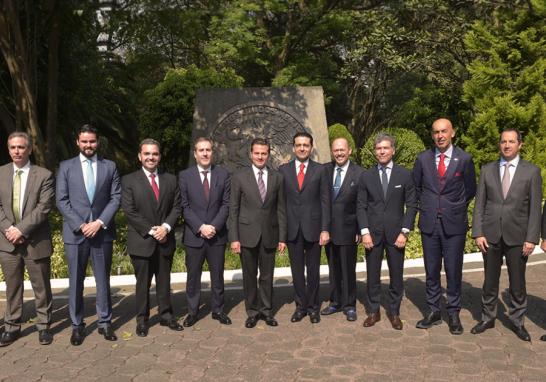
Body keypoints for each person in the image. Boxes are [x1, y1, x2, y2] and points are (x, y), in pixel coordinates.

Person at [471, 129, 541, 342]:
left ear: (520, 144)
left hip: (518, 236)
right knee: (489, 281)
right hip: (490, 235)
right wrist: (478, 232)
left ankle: (518, 321)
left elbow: (535, 208)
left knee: (517, 283)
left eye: (511, 141)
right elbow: (480, 203)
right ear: (499, 144)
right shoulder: (487, 170)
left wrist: (531, 238)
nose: (507, 145)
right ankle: (487, 317)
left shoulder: (532, 171)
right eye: (503, 141)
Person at [56, 124, 121, 345]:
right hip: (76, 234)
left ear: (98, 142)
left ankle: (105, 323)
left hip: (102, 233)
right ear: (77, 142)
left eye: (92, 141)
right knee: (76, 281)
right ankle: (77, 326)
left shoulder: (109, 166)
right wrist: (82, 225)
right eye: (84, 141)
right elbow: (61, 200)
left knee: (103, 279)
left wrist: (100, 222)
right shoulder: (65, 167)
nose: (88, 145)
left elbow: (115, 198)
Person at [412, 118, 476, 335]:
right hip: (430, 223)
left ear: (452, 133)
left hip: (454, 224)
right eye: (436, 132)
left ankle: (454, 312)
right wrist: (431, 206)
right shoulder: (422, 159)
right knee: (431, 271)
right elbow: (417, 188)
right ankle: (433, 311)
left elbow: (470, 189)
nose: (440, 135)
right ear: (432, 135)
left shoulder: (464, 159)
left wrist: (452, 207)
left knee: (453, 270)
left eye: (444, 131)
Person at [121, 139, 183, 337]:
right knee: (143, 284)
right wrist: (151, 230)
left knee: (164, 281)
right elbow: (129, 211)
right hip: (142, 241)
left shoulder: (171, 179)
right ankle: (142, 320)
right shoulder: (129, 180)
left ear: (159, 156)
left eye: (154, 154)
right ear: (140, 156)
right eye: (147, 154)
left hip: (165, 239)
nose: (151, 157)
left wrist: (165, 228)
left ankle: (166, 315)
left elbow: (177, 207)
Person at [357, 133, 417, 330]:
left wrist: (405, 232)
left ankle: (394, 312)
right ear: (375, 152)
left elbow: (412, 205)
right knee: (372, 276)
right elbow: (361, 206)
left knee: (396, 276)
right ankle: (373, 311)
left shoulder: (405, 175)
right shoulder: (366, 176)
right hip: (372, 235)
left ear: (393, 150)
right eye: (378, 148)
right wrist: (364, 232)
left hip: (396, 235)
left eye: (385, 148)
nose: (381, 151)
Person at [0, 132, 55, 346]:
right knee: (12, 287)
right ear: (8, 149)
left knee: (41, 286)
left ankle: (44, 326)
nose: (17, 151)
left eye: (21, 147)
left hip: (35, 240)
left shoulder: (44, 175)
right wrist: (9, 229)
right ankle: (12, 327)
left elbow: (44, 208)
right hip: (7, 242)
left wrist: (21, 230)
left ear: (30, 149)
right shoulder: (1, 173)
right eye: (13, 147)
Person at [228, 138, 287, 328]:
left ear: (268, 155)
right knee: (249, 275)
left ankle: (267, 311)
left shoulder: (277, 177)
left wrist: (282, 238)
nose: (260, 156)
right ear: (250, 154)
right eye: (257, 153)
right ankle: (252, 312)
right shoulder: (239, 177)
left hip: (270, 234)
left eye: (264, 153)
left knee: (267, 276)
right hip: (246, 235)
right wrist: (234, 238)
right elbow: (233, 209)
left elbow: (281, 210)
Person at [179, 137, 231, 327]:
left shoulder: (223, 175)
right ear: (195, 154)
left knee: (217, 275)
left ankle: (218, 310)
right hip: (194, 235)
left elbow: (226, 205)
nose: (205, 153)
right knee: (193, 276)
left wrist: (213, 227)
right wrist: (201, 227)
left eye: (208, 150)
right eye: (201, 150)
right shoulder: (185, 176)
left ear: (212, 152)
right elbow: (184, 206)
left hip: (216, 236)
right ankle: (192, 312)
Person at [279, 132, 330, 324]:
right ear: (293, 147)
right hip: (293, 230)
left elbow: (325, 201)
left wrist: (325, 229)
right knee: (297, 272)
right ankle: (301, 307)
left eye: (306, 145)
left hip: (314, 229)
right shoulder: (283, 170)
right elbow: (281, 205)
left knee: (314, 271)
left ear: (311, 147)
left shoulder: (320, 170)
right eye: (299, 145)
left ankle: (314, 307)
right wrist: (282, 235)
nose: (302, 148)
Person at [322, 137, 364, 321]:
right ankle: (335, 302)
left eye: (342, 150)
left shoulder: (360, 173)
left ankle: (349, 305)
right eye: (336, 150)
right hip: (329, 230)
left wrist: (360, 229)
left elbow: (362, 204)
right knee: (333, 268)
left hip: (349, 230)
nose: (339, 153)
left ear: (350, 151)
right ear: (332, 152)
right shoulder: (325, 170)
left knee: (348, 269)